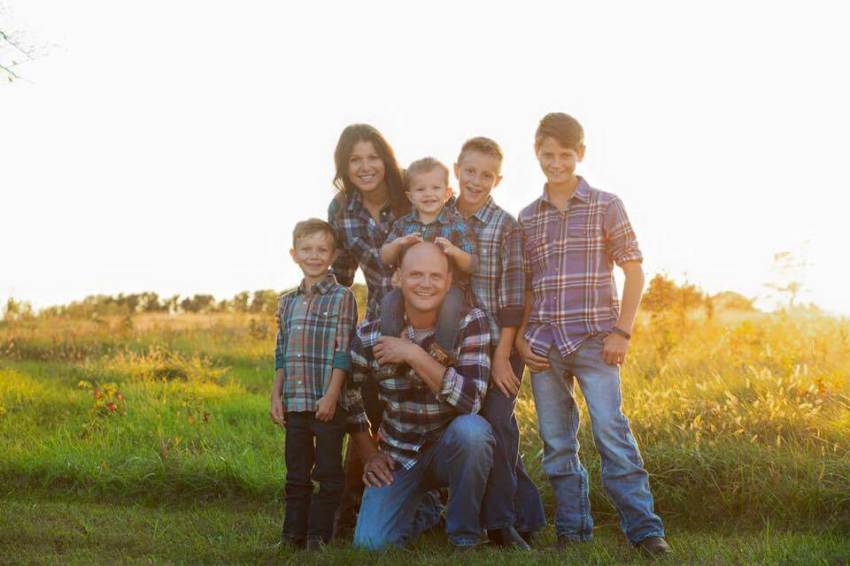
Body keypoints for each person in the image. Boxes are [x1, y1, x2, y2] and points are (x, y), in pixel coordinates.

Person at [516, 112, 671, 556]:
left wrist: (622, 331)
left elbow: (634, 271)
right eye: (548, 155)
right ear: (537, 154)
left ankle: (644, 530)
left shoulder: (606, 205)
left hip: (596, 341)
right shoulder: (528, 219)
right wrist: (525, 337)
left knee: (611, 431)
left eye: (565, 155)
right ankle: (572, 530)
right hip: (545, 346)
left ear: (580, 154)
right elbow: (528, 287)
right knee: (556, 441)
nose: (557, 163)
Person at [343, 241, 494, 550]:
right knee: (370, 545)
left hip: (449, 448)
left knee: (474, 433)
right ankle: (426, 509)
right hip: (399, 454)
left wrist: (412, 353)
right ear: (398, 277)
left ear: (449, 281)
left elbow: (470, 401)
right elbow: (348, 393)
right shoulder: (370, 333)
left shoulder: (471, 323)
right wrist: (369, 452)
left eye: (435, 276)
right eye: (416, 275)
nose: (425, 284)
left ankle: (464, 536)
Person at [447, 137, 545, 548]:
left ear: (498, 179)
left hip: (497, 344)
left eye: (486, 175)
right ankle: (529, 516)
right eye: (470, 171)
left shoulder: (506, 226)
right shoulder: (441, 218)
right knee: (481, 431)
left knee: (499, 424)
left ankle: (502, 523)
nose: (476, 180)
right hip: (454, 346)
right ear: (457, 169)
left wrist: (505, 356)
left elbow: (513, 296)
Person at [326, 124, 409, 535]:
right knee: (367, 408)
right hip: (378, 321)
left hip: (430, 317)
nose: (365, 166)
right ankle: (348, 511)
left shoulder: (411, 191)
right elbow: (341, 277)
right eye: (355, 159)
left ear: (386, 158)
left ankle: (433, 506)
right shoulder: (342, 209)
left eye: (372, 157)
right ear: (344, 165)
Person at [269, 218, 358, 550]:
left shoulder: (341, 298)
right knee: (296, 475)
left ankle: (319, 537)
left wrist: (332, 395)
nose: (314, 255)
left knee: (329, 473)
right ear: (294, 254)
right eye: (307, 249)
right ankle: (291, 535)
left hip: (326, 404)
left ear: (333, 255)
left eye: (322, 249)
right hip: (295, 402)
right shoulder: (287, 302)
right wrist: (276, 395)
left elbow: (343, 352)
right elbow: (281, 352)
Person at [379, 157, 477, 370]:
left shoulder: (457, 225)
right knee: (389, 301)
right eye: (421, 189)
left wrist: (454, 251)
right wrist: (398, 243)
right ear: (410, 196)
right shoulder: (403, 225)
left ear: (447, 193)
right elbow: (385, 256)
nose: (429, 194)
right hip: (412, 290)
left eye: (435, 188)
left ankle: (440, 355)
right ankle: (391, 353)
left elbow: (472, 264)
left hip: (449, 288)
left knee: (451, 306)